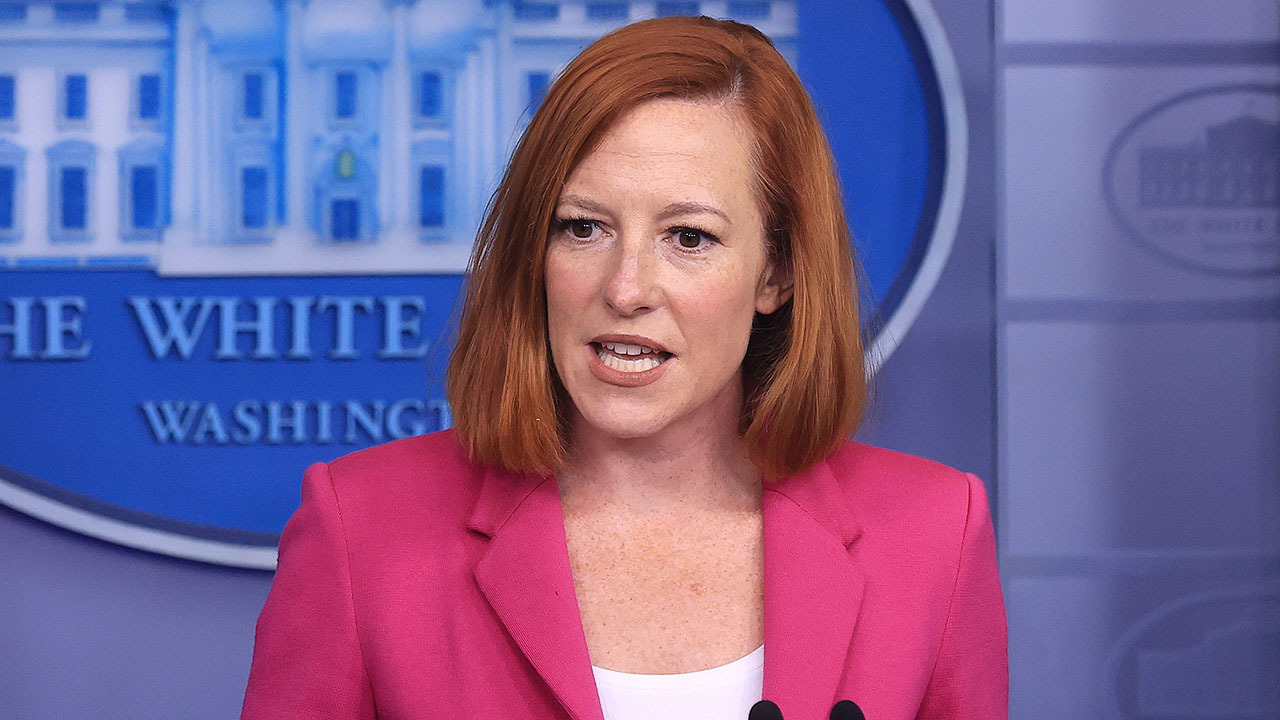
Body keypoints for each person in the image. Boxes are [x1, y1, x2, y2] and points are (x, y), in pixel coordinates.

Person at [241, 15, 1007, 720]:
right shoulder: (359, 531)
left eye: (690, 238)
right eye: (583, 227)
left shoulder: (936, 536)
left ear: (777, 273)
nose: (626, 288)